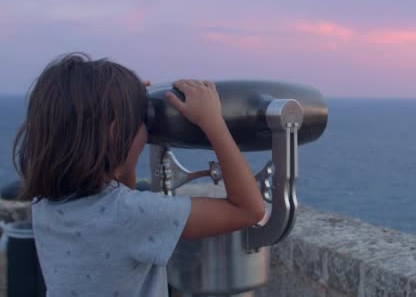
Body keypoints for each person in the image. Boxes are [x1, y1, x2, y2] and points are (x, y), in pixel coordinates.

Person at [12, 52, 265, 296]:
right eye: (140, 122)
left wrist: (127, 119)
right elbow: (247, 210)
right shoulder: (130, 216)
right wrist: (213, 123)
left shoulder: (44, 205)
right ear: (114, 133)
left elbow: (117, 198)